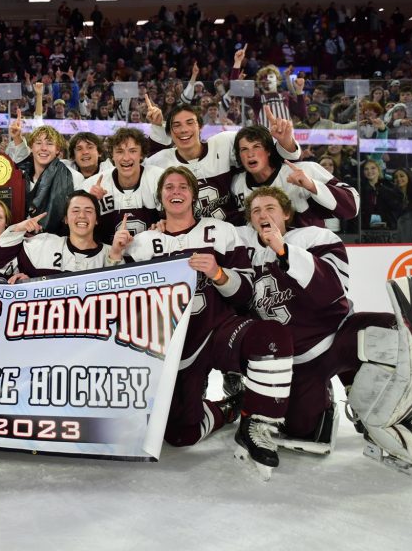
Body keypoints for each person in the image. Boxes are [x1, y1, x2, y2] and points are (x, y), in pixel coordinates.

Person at [238, 186, 412, 468]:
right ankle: (326, 398)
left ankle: (369, 397)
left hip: (341, 334)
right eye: (256, 210)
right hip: (301, 362)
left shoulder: (314, 236)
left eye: (270, 208)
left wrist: (284, 251)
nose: (263, 214)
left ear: (286, 213)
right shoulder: (247, 257)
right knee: (301, 429)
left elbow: (332, 289)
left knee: (398, 335)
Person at [107, 166, 295, 478]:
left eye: (183, 186)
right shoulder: (141, 243)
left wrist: (219, 274)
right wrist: (115, 255)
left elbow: (247, 291)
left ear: (193, 195)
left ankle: (257, 423)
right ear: (160, 197)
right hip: (167, 346)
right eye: (169, 187)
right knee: (181, 435)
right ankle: (229, 407)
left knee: (271, 337)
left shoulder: (220, 231)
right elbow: (115, 302)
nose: (176, 191)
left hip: (217, 330)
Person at [144, 99, 301, 222]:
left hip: (232, 232)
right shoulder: (159, 162)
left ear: (200, 126)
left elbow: (266, 152)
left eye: (190, 122)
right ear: (170, 132)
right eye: (176, 125)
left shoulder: (225, 142)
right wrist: (157, 127)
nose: (184, 129)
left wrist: (285, 141)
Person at [230, 125, 358, 228]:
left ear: (269, 151)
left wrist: (312, 186)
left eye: (256, 146)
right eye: (244, 149)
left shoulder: (304, 170)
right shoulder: (237, 183)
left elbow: (352, 206)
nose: (250, 154)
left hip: (308, 252)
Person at [0, 191, 115, 279]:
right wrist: (18, 228)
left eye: (88, 211)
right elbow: (2, 262)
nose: (82, 215)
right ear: (66, 219)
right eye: (75, 210)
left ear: (97, 219)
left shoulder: (112, 254)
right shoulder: (45, 244)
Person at [82, 127, 162, 243]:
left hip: (151, 257)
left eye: (133, 151)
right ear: (112, 156)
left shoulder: (158, 178)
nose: (126, 158)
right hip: (107, 255)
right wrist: (89, 203)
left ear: (141, 154)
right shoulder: (91, 185)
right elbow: (75, 226)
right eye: (119, 151)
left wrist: (165, 223)